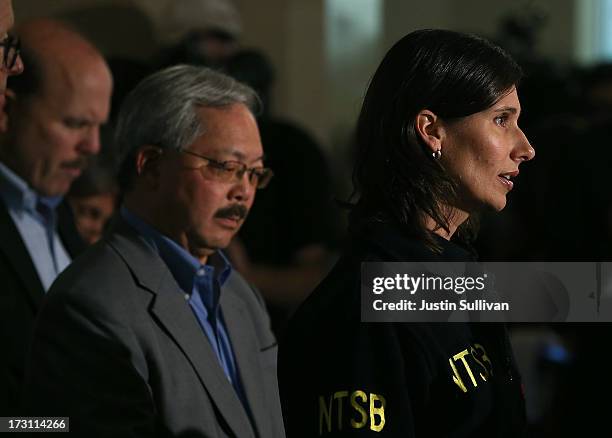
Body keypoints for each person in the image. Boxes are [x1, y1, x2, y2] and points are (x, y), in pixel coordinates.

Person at [278, 29, 535, 437]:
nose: (525, 147)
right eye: (501, 120)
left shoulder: (451, 273)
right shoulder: (369, 304)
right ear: (431, 130)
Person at [23, 65, 285, 438]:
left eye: (254, 173)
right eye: (226, 167)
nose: (243, 191)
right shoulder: (91, 305)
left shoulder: (242, 298)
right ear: (151, 166)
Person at [0, 18, 111, 415]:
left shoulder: (59, 211)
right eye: (75, 124)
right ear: (7, 108)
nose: (92, 146)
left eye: (99, 126)